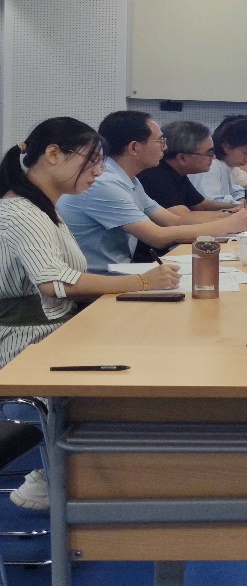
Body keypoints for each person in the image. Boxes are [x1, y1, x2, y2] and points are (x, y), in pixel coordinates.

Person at [0, 117, 180, 510]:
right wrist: (140, 282)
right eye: (92, 161)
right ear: (53, 155)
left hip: (52, 332)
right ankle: (53, 475)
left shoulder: (43, 208)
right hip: (25, 346)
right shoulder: (20, 211)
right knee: (128, 375)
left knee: (144, 351)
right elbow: (54, 283)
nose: (99, 172)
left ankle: (69, 474)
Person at [58, 111, 247, 273]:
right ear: (134, 147)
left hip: (119, 273)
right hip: (97, 284)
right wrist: (226, 224)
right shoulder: (105, 183)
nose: (165, 148)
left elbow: (173, 221)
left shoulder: (130, 179)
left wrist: (229, 219)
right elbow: (157, 237)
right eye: (160, 141)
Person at [137, 121, 242, 214]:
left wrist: (241, 207)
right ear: (182, 158)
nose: (214, 157)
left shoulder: (177, 172)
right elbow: (182, 218)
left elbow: (203, 206)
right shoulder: (156, 176)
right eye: (209, 153)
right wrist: (234, 214)